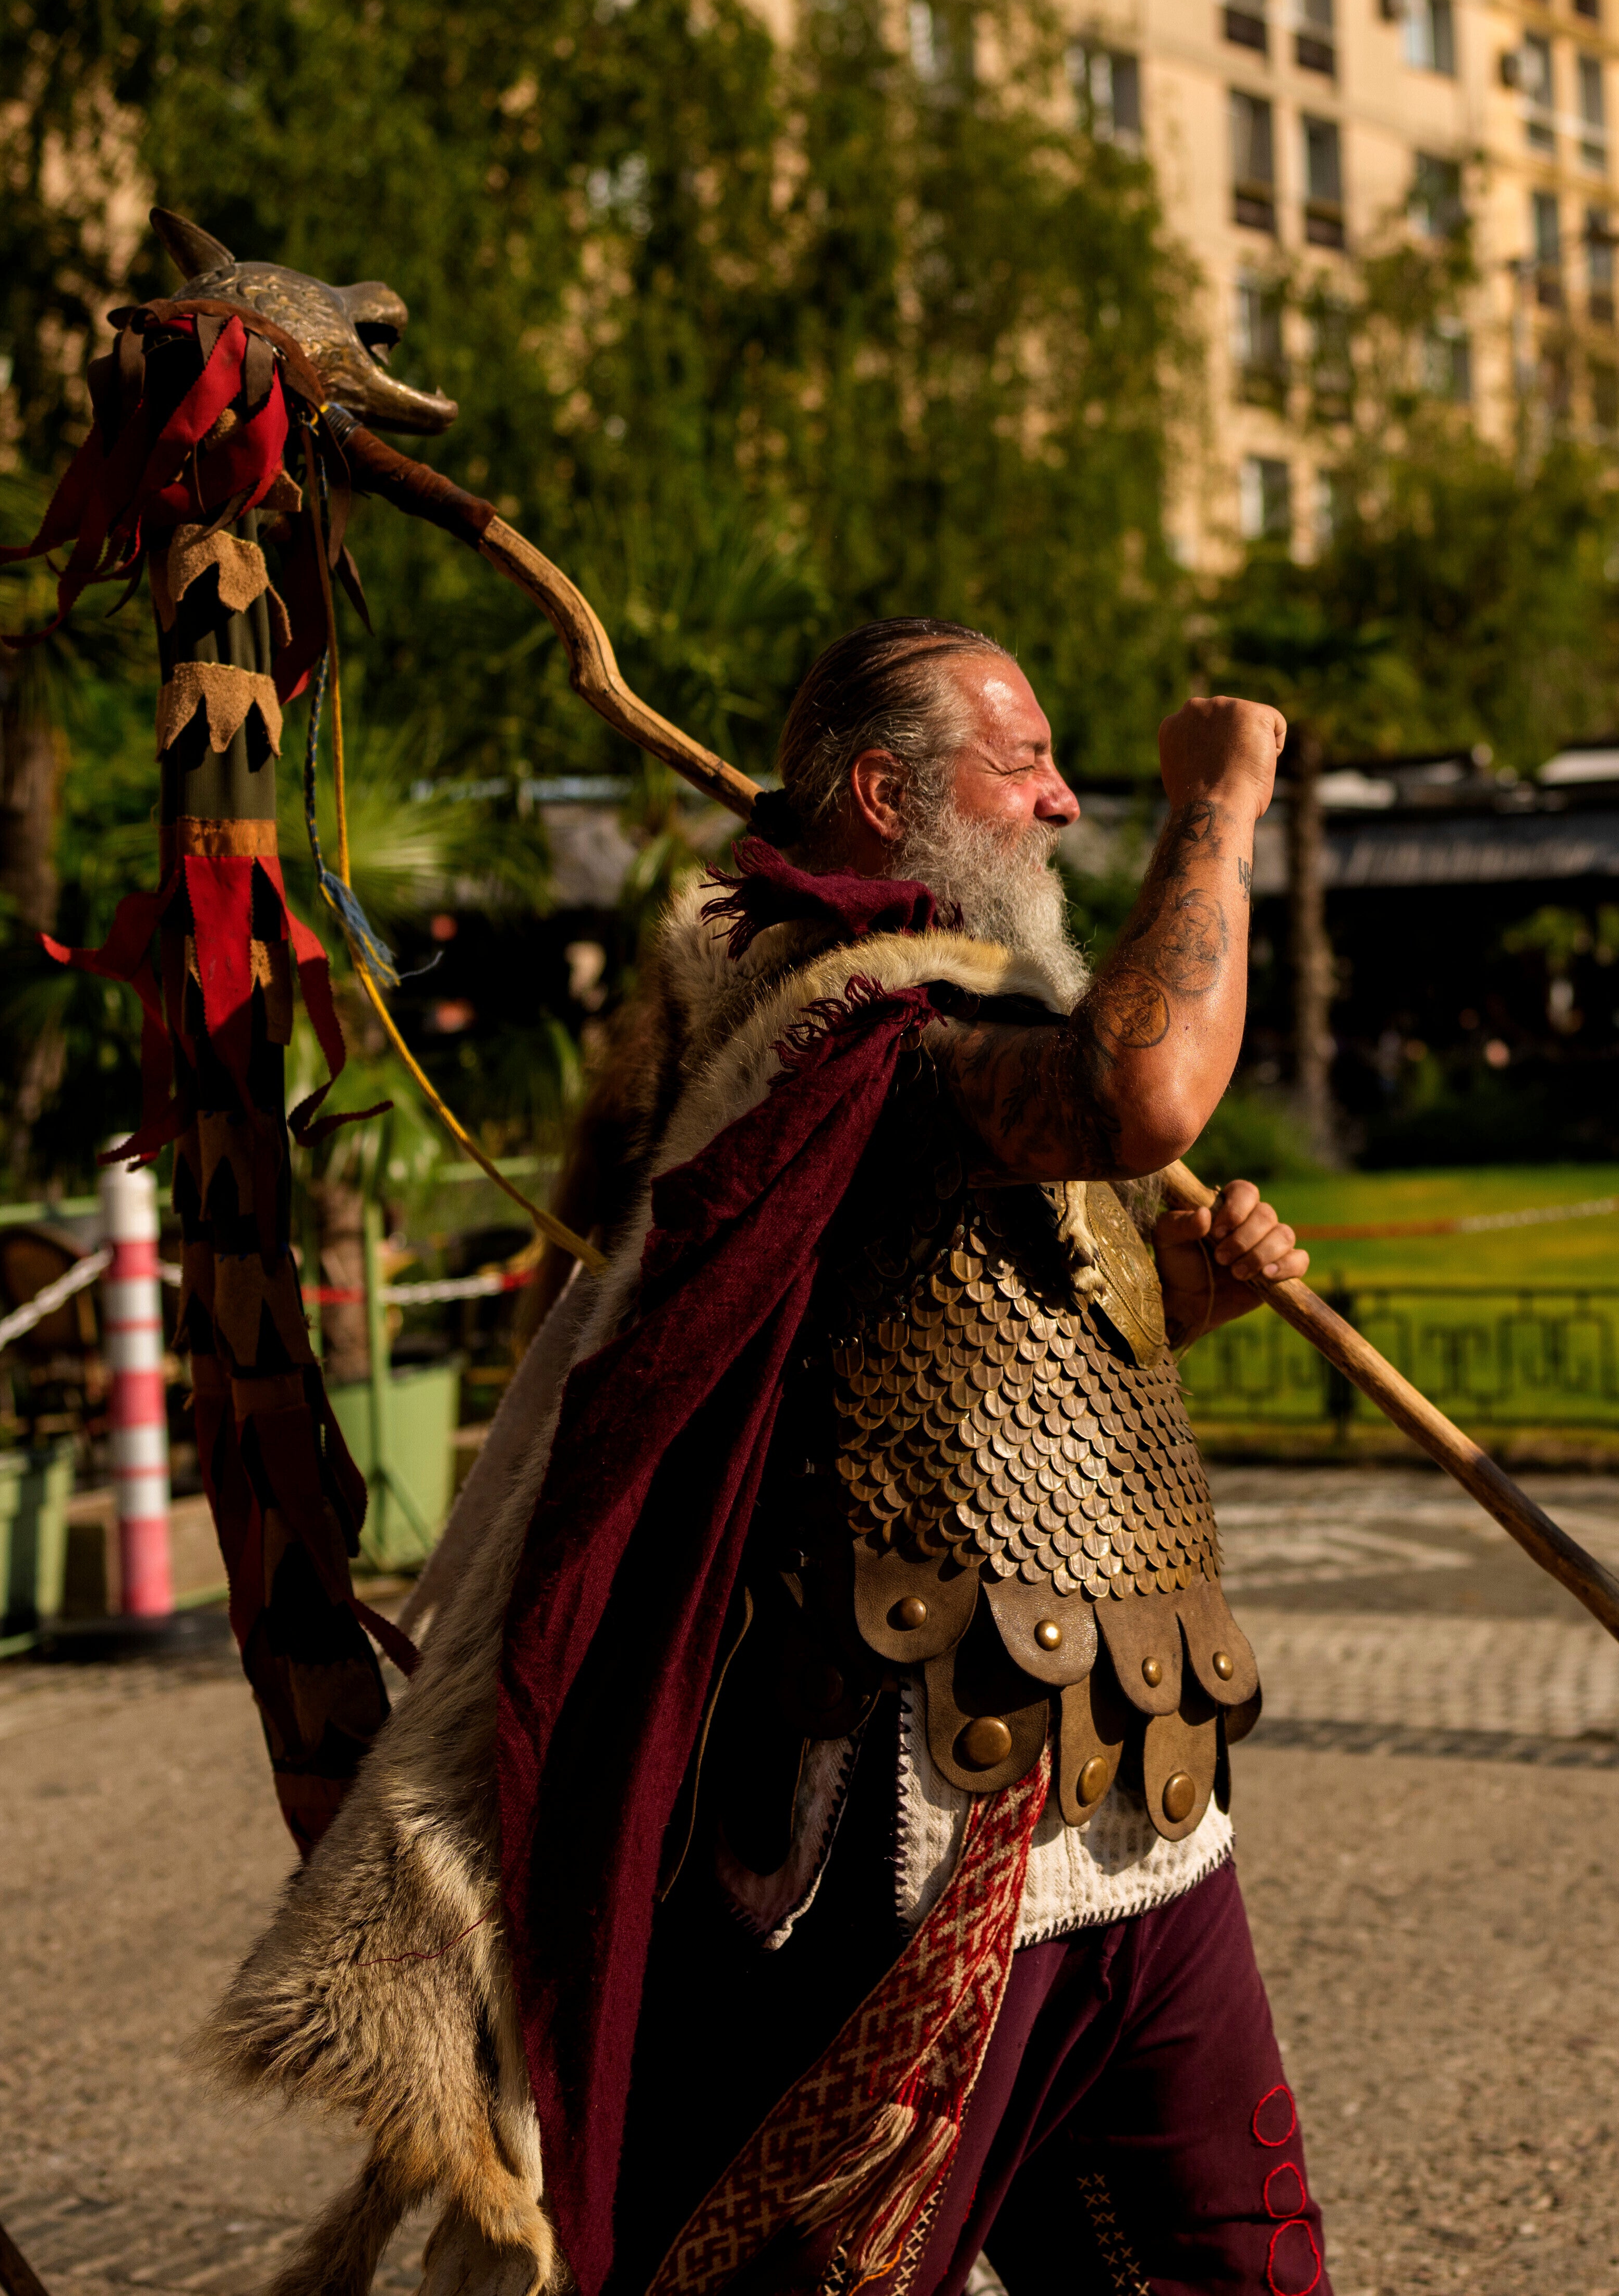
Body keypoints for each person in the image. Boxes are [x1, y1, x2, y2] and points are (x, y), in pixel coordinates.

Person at [214, 620, 1335, 2296]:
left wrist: (1178, 1297)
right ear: (884, 793)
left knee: (1232, 2270)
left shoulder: (967, 1019)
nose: (1061, 803)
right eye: (1022, 762)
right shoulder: (847, 1027)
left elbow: (964, 1345)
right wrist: (1219, 801)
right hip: (938, 1785)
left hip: (1148, 1782)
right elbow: (1143, 1090)